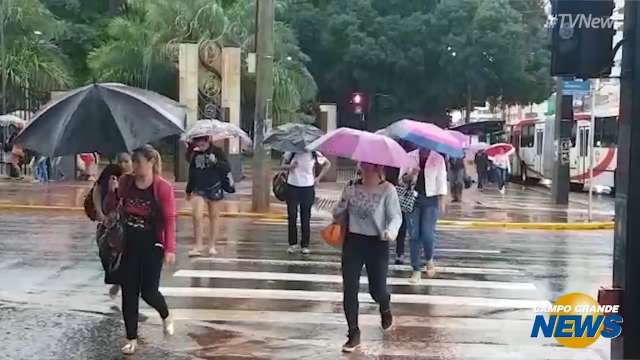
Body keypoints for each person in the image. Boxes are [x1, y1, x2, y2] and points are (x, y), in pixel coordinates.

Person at [104, 145, 176, 355]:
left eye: (138, 162)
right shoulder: (126, 182)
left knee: (149, 292)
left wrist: (170, 248)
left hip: (152, 243)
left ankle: (166, 314)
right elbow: (110, 206)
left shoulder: (162, 187)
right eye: (132, 162)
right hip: (128, 243)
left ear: (151, 162)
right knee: (129, 292)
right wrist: (113, 190)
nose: (134, 167)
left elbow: (170, 220)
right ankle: (131, 338)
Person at [333, 162, 402, 353]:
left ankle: (385, 304)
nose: (365, 169)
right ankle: (353, 333)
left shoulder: (388, 190)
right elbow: (336, 213)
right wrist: (343, 203)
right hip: (353, 242)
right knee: (350, 287)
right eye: (363, 165)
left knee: (376, 290)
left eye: (370, 166)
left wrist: (390, 231)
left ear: (379, 168)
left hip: (377, 243)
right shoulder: (351, 187)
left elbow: (396, 216)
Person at [93, 153, 133, 299]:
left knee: (126, 256)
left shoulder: (134, 178)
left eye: (126, 161)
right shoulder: (110, 174)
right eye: (120, 161)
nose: (123, 165)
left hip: (127, 223)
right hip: (108, 222)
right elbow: (97, 189)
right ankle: (116, 280)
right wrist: (99, 211)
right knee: (106, 253)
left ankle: (123, 284)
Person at [405, 149, 447, 284]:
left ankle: (429, 259)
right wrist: (412, 173)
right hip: (412, 200)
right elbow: (402, 179)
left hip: (431, 200)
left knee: (427, 234)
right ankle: (416, 269)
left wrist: (442, 200)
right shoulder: (410, 156)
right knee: (414, 235)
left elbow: (441, 180)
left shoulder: (438, 158)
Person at [186, 136, 231, 257]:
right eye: (198, 141)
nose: (201, 143)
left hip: (214, 186)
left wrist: (215, 162)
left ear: (208, 141)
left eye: (203, 141)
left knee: (214, 217)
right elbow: (192, 172)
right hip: (198, 188)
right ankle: (198, 245)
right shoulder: (194, 153)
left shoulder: (217, 151)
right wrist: (188, 190)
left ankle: (212, 245)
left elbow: (226, 168)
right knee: (197, 215)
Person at [282, 150, 331, 255]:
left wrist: (318, 179)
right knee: (292, 215)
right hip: (292, 186)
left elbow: (327, 164)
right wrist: (290, 167)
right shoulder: (291, 152)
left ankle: (305, 245)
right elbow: (282, 166)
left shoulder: (314, 153)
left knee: (306, 217)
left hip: (307, 187)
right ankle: (292, 244)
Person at [384, 166, 411, 265]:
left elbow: (409, 179)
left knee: (401, 224)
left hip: (401, 194)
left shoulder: (408, 158)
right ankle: (384, 250)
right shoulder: (386, 159)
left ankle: (400, 252)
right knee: (384, 222)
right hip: (387, 191)